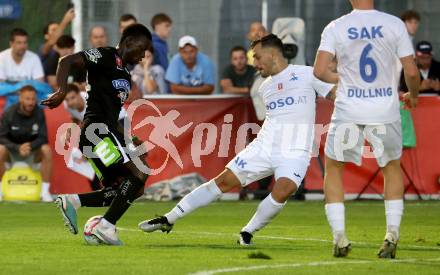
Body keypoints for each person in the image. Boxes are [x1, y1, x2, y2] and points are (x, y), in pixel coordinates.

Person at [138, 34, 336, 245]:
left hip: (296, 151)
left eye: (258, 57)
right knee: (222, 181)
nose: (255, 64)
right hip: (264, 146)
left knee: (285, 188)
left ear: (272, 54)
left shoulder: (307, 74)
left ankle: (247, 232)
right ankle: (169, 218)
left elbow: (335, 94)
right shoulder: (264, 87)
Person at [313, 0, 420, 258]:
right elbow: (412, 72)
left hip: (349, 109)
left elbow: (319, 71)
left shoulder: (337, 26)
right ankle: (391, 233)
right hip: (385, 109)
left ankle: (339, 235)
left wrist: (343, 79)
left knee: (334, 167)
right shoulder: (394, 24)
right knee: (391, 167)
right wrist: (413, 95)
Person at [42, 24, 153, 246]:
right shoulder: (105, 55)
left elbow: (112, 114)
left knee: (130, 188)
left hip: (104, 131)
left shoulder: (124, 73)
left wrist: (129, 139)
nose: (143, 56)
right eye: (141, 49)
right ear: (129, 42)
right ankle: (106, 227)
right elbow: (67, 61)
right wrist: (63, 91)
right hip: (96, 131)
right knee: (140, 171)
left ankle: (73, 201)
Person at [0, 85, 52, 202]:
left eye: (33, 99)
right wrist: (17, 147)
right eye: (27, 99)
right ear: (21, 99)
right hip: (12, 153)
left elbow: (43, 138)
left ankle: (44, 192)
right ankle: (0, 191)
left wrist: (30, 146)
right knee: (0, 149)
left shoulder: (39, 113)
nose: (31, 102)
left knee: (46, 150)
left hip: (32, 154)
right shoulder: (9, 113)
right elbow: (2, 137)